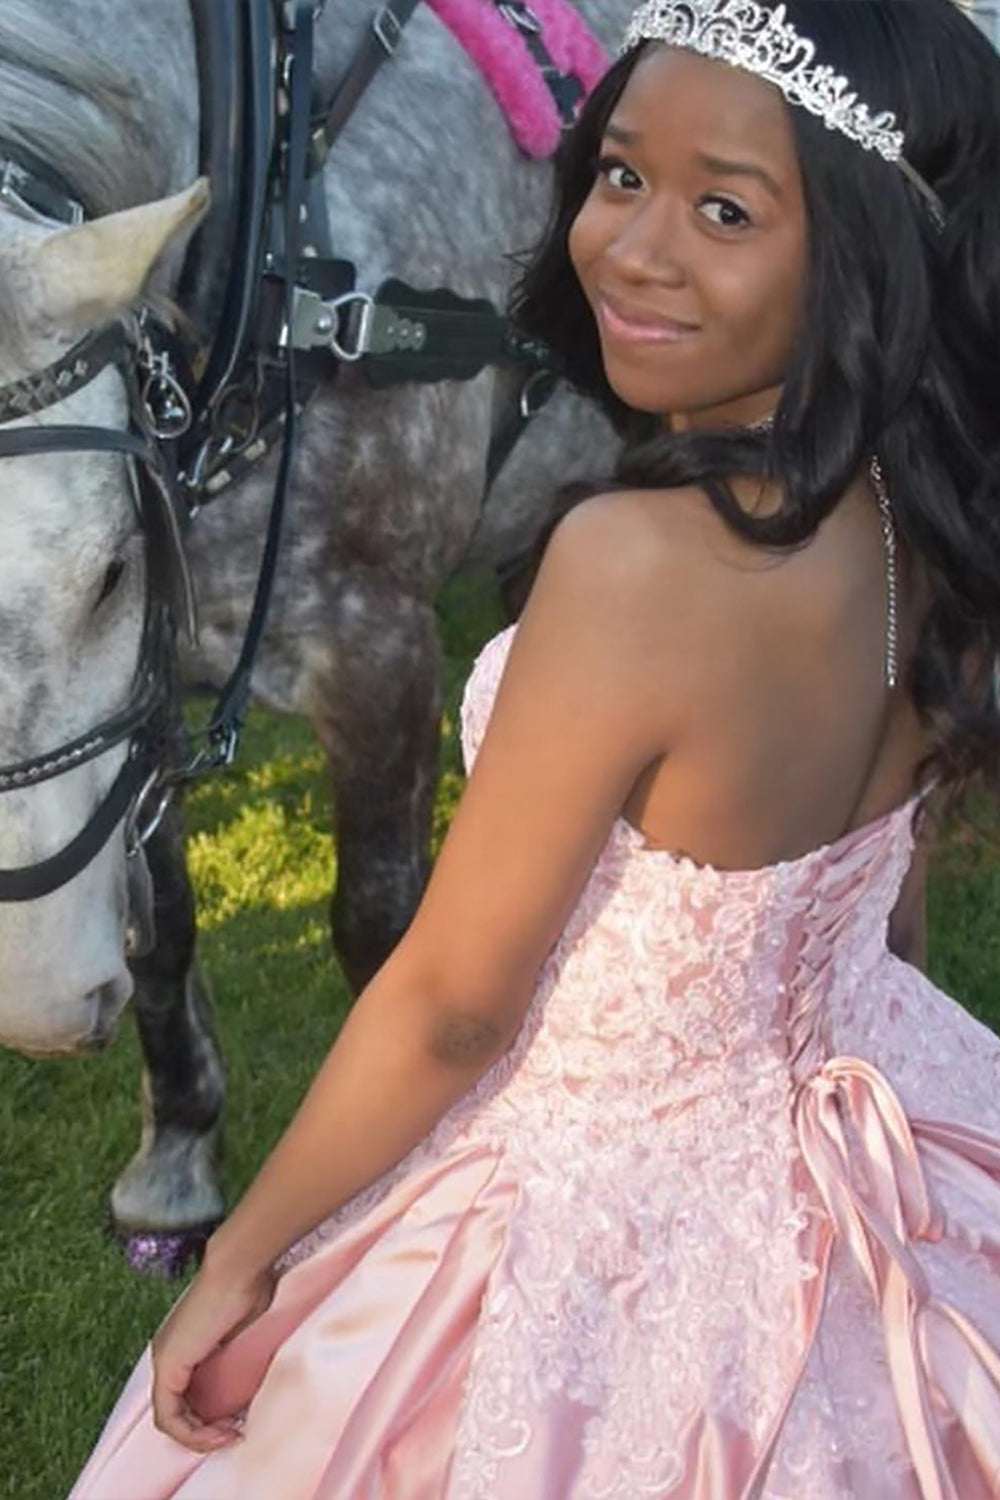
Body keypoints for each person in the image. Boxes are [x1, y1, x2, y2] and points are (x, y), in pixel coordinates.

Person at [70, 1, 1000, 1496]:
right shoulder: (919, 519)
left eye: (725, 209)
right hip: (853, 1136)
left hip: (607, 1218)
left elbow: (450, 1002)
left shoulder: (639, 566)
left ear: (871, 254)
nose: (629, 245)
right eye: (619, 174)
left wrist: (247, 1260)